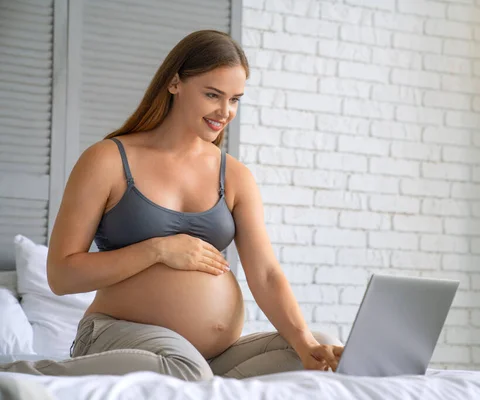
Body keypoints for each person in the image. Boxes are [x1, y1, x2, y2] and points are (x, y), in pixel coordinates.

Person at [0, 30, 343, 381]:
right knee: (185, 369)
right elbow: (61, 276)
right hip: (118, 335)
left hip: (208, 358)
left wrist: (304, 342)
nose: (224, 112)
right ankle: (20, 372)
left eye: (235, 99)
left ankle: (203, 378)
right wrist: (158, 250)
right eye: (212, 94)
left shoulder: (235, 176)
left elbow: (266, 274)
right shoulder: (108, 160)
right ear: (175, 82)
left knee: (320, 346)